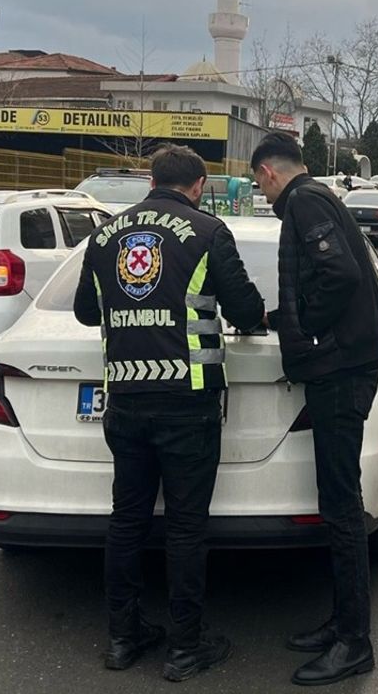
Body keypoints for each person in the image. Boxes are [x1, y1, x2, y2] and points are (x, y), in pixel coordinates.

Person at [72, 145, 265, 682]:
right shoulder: (207, 232)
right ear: (199, 184)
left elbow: (87, 311)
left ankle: (122, 639)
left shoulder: (107, 234)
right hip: (188, 401)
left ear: (150, 180)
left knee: (127, 521)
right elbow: (246, 310)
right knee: (184, 528)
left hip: (126, 400)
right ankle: (184, 648)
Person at [251, 132, 378, 687]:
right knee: (335, 501)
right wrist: (281, 317)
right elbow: (325, 278)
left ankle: (355, 642)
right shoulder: (319, 196)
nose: (262, 194)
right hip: (343, 364)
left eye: (260, 184)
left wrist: (302, 330)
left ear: (267, 173)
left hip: (339, 370)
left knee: (340, 504)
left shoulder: (304, 201)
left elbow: (340, 276)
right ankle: (340, 623)